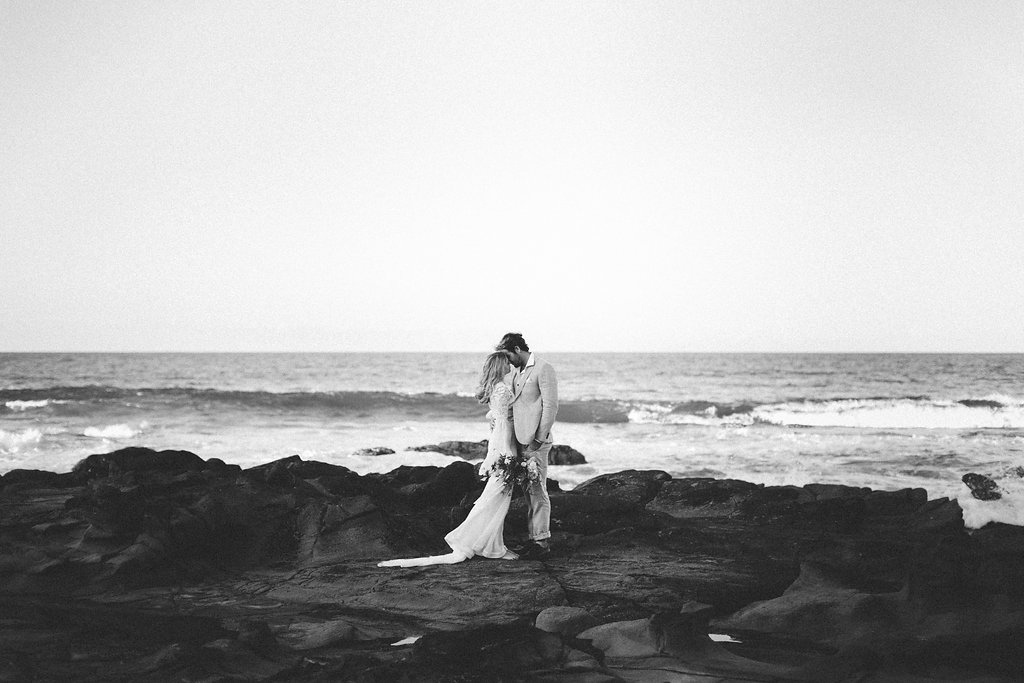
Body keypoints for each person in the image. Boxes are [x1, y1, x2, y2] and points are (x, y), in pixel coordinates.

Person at [377, 351, 520, 567]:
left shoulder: (497, 388)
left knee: (496, 497)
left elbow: (495, 418)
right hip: (503, 445)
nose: (510, 364)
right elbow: (501, 424)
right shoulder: (501, 389)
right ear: (500, 365)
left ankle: (491, 543)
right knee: (495, 497)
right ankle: (485, 544)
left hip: (500, 443)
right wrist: (504, 452)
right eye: (506, 362)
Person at [495, 332, 558, 559]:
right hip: (519, 440)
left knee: (538, 489)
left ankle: (542, 542)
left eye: (509, 355)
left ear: (517, 349)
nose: (508, 360)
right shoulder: (515, 372)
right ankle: (534, 539)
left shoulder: (544, 368)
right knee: (528, 491)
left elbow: (550, 407)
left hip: (537, 441)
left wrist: (539, 438)